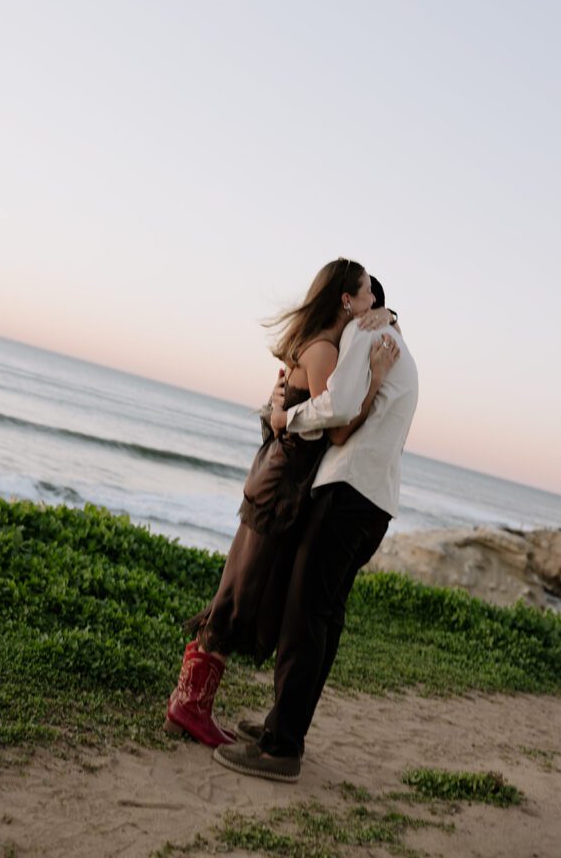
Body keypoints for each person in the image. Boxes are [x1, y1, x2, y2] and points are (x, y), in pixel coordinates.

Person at [164, 259, 399, 748]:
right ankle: (188, 707)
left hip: (278, 481)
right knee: (239, 593)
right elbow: (336, 428)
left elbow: (293, 415)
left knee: (242, 589)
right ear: (346, 300)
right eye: (366, 296)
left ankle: (190, 706)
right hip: (280, 487)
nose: (372, 304)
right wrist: (375, 379)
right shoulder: (323, 351)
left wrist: (389, 318)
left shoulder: (317, 345)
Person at [212, 276, 418, 781]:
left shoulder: (365, 333)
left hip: (346, 494)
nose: (361, 305)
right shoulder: (393, 338)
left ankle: (282, 749)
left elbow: (339, 410)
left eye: (367, 296)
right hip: (376, 503)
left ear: (360, 301)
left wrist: (286, 417)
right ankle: (285, 729)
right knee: (323, 620)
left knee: (304, 620)